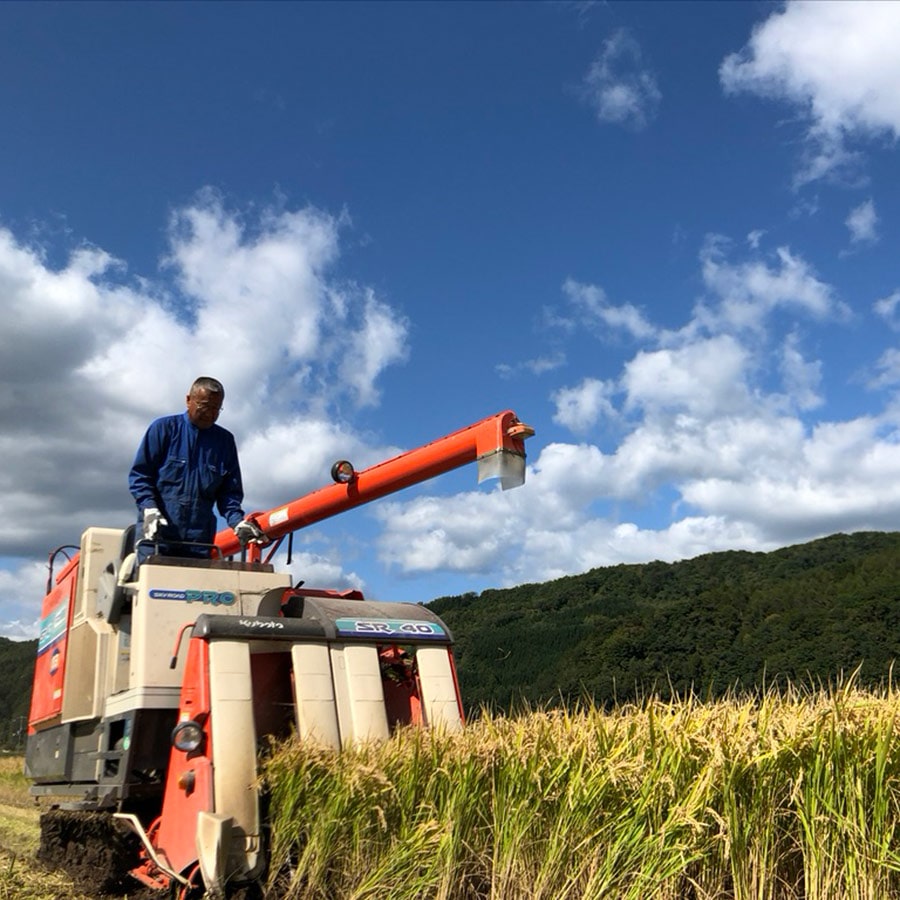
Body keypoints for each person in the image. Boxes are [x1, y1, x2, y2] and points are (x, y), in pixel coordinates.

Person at [128, 376, 265, 557]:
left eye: (216, 408)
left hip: (198, 540)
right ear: (188, 400)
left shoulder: (224, 442)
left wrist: (237, 522)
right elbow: (140, 476)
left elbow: (229, 493)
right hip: (157, 536)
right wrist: (149, 509)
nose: (210, 413)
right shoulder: (163, 429)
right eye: (205, 406)